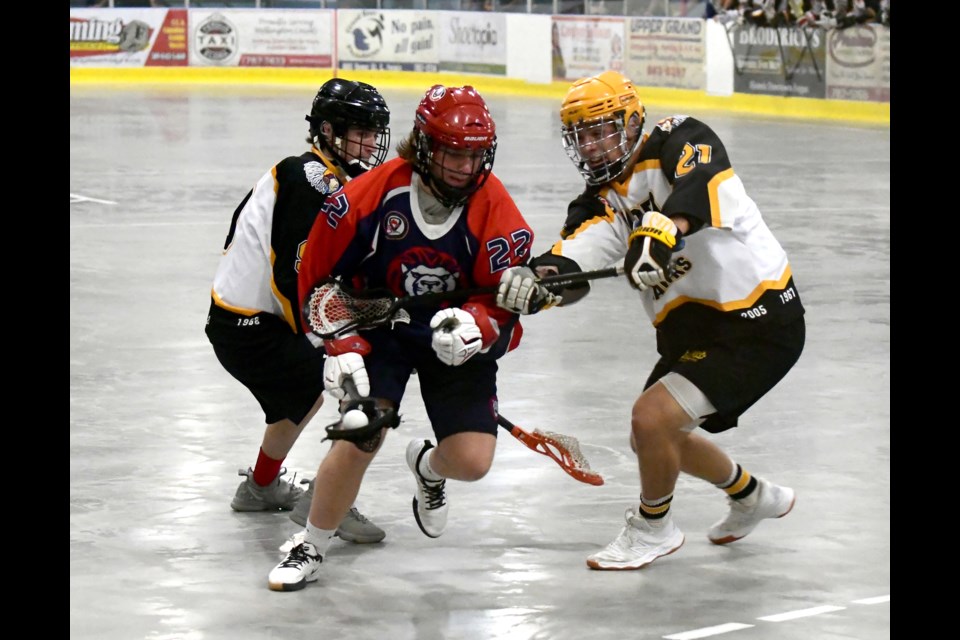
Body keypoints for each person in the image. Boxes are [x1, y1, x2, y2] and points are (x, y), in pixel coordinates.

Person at [495, 70, 805, 570]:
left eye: (603, 129)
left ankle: (653, 527)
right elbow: (573, 261)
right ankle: (752, 495)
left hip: (757, 319)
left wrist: (663, 228)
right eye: (583, 135)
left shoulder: (678, 139)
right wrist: (537, 283)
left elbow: (701, 180)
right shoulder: (596, 202)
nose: (594, 146)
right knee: (652, 438)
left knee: (652, 419)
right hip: (697, 330)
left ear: (634, 120)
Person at [268, 84, 534, 591]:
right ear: (425, 146)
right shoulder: (364, 198)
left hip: (452, 332)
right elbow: (316, 279)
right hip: (380, 327)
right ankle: (312, 543)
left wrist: (479, 324)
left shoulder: (495, 208)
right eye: (453, 152)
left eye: (474, 154)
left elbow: (503, 300)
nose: (463, 166)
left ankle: (428, 468)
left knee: (473, 462)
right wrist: (339, 343)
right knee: (359, 429)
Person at [205, 78, 391, 545]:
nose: (370, 143)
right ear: (328, 131)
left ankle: (260, 487)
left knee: (301, 396)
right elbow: (294, 278)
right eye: (361, 132)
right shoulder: (312, 182)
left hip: (242, 320)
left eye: (374, 132)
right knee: (352, 378)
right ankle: (329, 500)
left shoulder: (319, 175)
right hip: (252, 325)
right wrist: (332, 338)